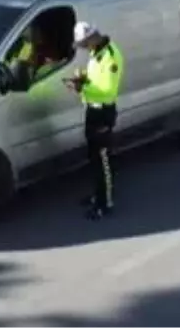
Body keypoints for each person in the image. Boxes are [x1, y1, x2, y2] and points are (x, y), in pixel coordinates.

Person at [65, 21, 125, 220]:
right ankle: (97, 195)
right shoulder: (96, 55)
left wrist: (82, 88)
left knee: (103, 160)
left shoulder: (110, 57)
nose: (83, 48)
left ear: (92, 38)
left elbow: (108, 91)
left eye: (84, 44)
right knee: (93, 158)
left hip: (103, 113)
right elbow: (96, 80)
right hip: (92, 111)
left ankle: (105, 203)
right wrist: (82, 79)